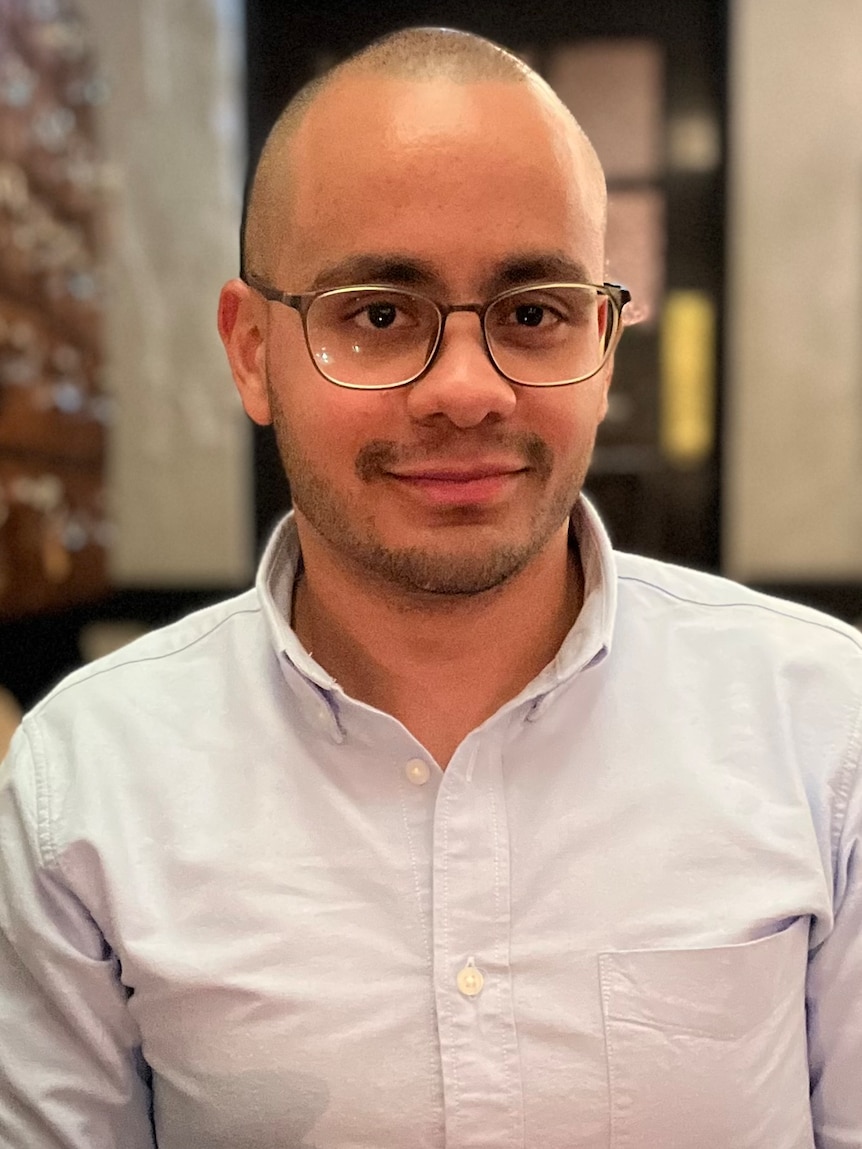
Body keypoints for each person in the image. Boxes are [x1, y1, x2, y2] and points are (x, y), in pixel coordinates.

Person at [0, 25, 859, 1149]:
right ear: (253, 350)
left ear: (602, 342)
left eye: (534, 312)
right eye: (377, 313)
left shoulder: (822, 727)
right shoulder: (89, 780)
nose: (466, 389)